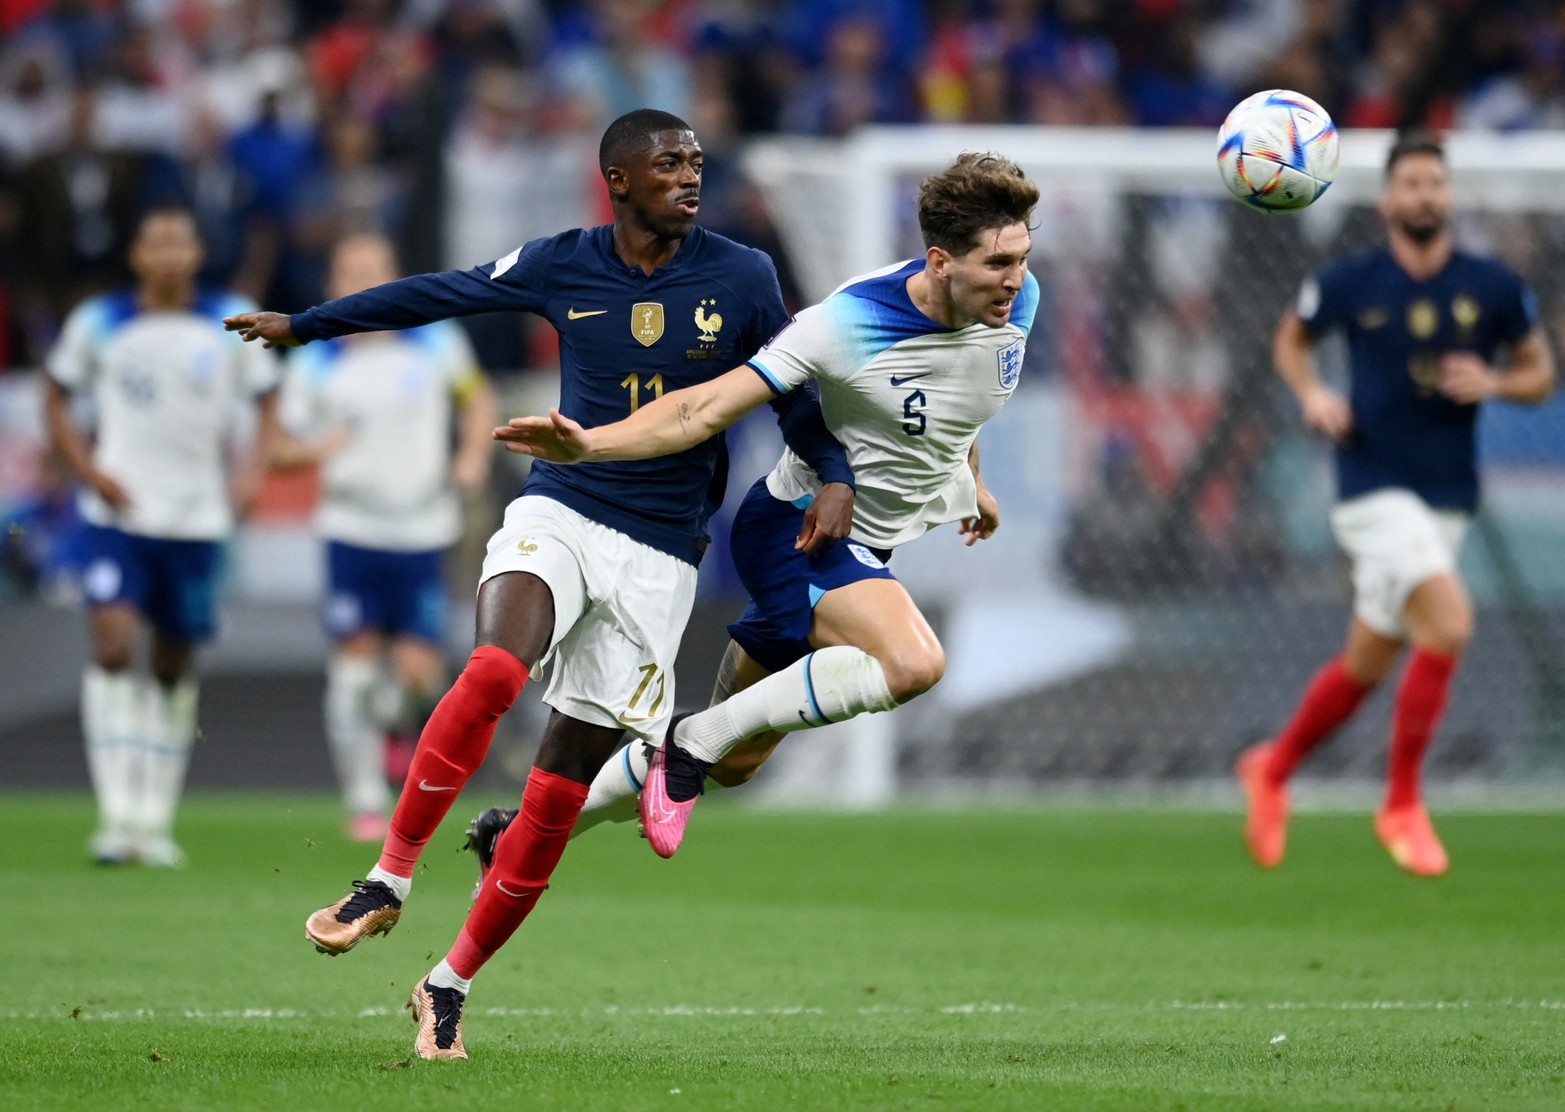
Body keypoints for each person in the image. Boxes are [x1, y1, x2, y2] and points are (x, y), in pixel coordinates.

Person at [223, 108, 854, 1060]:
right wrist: (310, 325)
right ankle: (387, 880)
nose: (690, 177)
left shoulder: (743, 275)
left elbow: (795, 387)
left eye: (695, 163)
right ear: (618, 179)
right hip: (561, 507)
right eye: (668, 164)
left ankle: (447, 986)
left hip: (662, 555)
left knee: (555, 798)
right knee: (489, 671)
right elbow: (445, 292)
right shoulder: (564, 261)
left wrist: (835, 471)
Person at [493, 151, 1040, 861]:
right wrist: (589, 444)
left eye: (1023, 258)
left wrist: (974, 482)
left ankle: (518, 836)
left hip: (868, 546)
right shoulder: (846, 323)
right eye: (998, 263)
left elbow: (957, 400)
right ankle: (687, 743)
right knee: (912, 664)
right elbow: (703, 408)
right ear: (939, 261)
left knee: (740, 761)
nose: (1016, 280)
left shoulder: (1013, 303)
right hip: (800, 529)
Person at [1236, 132, 1555, 877]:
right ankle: (1402, 803)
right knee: (1449, 621)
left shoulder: (1491, 285)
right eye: (1409, 184)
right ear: (1386, 200)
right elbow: (1291, 341)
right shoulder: (1351, 280)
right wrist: (1313, 393)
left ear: (1447, 196)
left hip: (1446, 496)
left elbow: (1538, 372)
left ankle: (1272, 766)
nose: (1423, 196)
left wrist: (1496, 382)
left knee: (1367, 660)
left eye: (1433, 184)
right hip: (1368, 486)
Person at [44, 206, 281, 867]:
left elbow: (267, 399)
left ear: (198, 253)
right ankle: (116, 815)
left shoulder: (229, 316)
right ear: (137, 255)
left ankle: (155, 817)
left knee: (173, 665)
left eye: (182, 242)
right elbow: (55, 395)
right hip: (117, 515)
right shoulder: (100, 322)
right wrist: (90, 471)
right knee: (114, 645)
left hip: (197, 517)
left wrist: (251, 474)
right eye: (158, 242)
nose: (171, 254)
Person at [274, 232, 497, 842]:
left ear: (395, 276)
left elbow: (477, 402)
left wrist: (472, 456)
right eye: (352, 269)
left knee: (417, 677)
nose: (364, 278)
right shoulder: (315, 356)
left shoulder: (436, 339)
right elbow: (279, 448)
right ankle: (366, 801)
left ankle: (393, 729)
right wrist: (313, 449)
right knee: (352, 670)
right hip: (351, 530)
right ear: (333, 285)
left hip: (424, 529)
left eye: (375, 268)